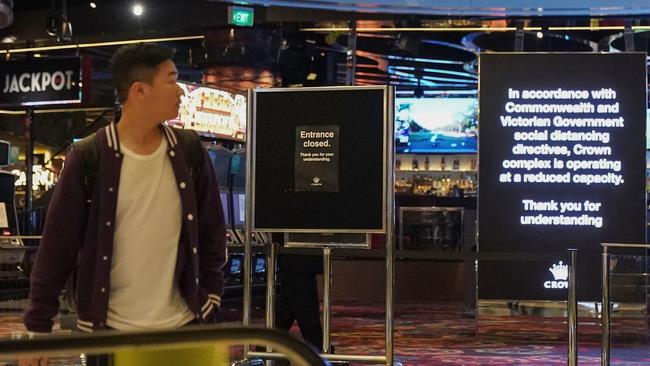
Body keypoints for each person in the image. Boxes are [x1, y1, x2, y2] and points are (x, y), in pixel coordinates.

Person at [21, 43, 227, 365]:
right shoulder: (90, 156)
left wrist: (211, 295)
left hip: (187, 326)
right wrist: (39, 328)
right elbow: (57, 246)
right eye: (172, 80)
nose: (181, 92)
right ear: (139, 90)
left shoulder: (189, 152)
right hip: (113, 331)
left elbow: (213, 232)